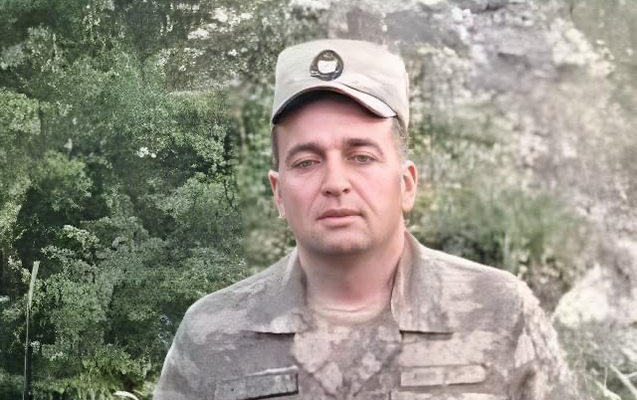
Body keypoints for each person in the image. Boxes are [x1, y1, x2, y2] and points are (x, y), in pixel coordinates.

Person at [154, 39, 577, 400]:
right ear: (279, 192)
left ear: (406, 184)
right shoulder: (212, 334)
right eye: (306, 162)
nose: (335, 183)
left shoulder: (499, 312)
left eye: (361, 156)